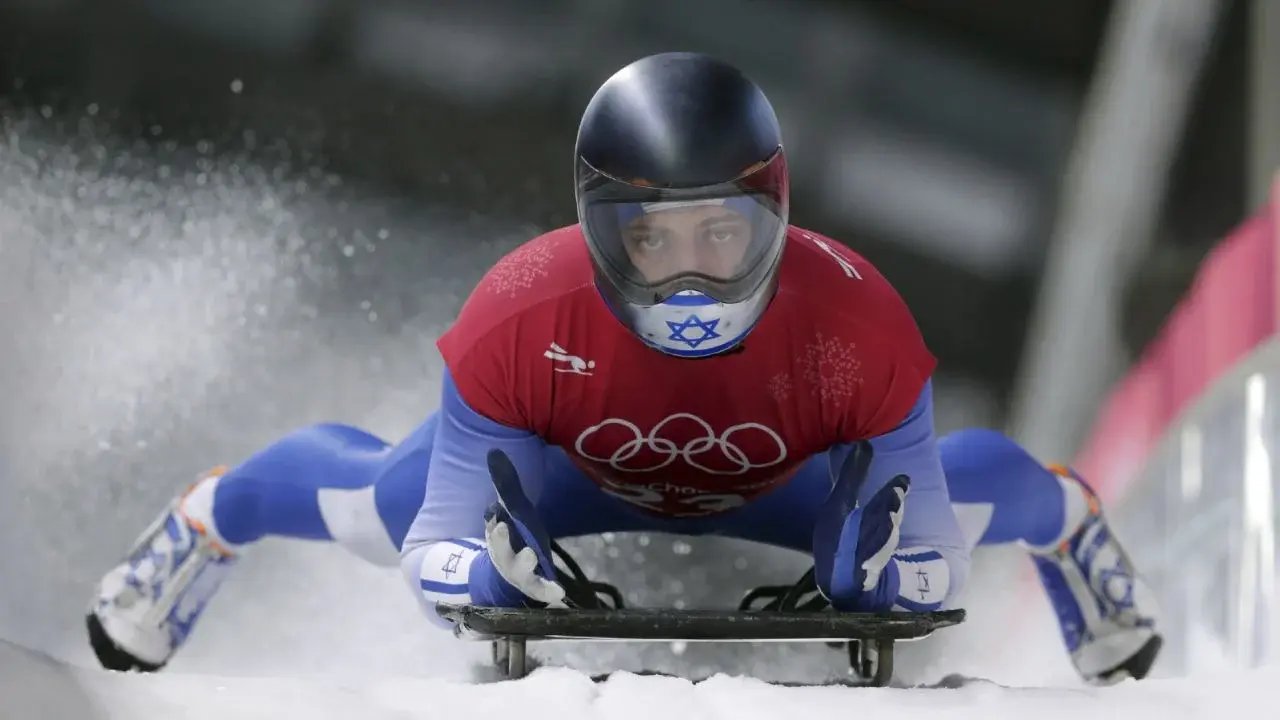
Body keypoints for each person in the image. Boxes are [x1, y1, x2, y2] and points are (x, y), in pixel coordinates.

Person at [88, 52, 1160, 685]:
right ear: (597, 228)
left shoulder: (858, 318)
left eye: (720, 236)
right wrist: (469, 569)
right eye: (650, 239)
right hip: (563, 472)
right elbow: (438, 540)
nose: (687, 276)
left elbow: (914, 531)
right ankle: (210, 517)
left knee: (942, 533)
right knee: (377, 510)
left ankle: (1062, 518)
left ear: (773, 215)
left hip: (790, 480)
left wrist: (886, 570)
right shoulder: (519, 312)